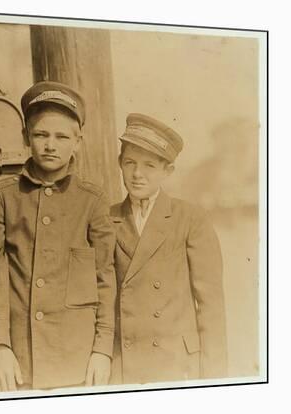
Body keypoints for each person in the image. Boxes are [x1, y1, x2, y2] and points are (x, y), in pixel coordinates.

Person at [0, 81, 117, 391]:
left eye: (62, 137)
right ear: (26, 137)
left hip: (76, 360)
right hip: (17, 360)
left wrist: (102, 350)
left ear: (78, 141)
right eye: (41, 135)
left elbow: (105, 279)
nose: (51, 145)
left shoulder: (92, 200)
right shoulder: (2, 195)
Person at [109, 113, 228, 384]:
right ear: (119, 163)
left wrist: (215, 377)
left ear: (168, 171)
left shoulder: (190, 218)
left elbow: (210, 306)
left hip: (176, 364)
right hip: (123, 365)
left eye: (149, 165)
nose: (138, 174)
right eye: (130, 163)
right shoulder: (107, 219)